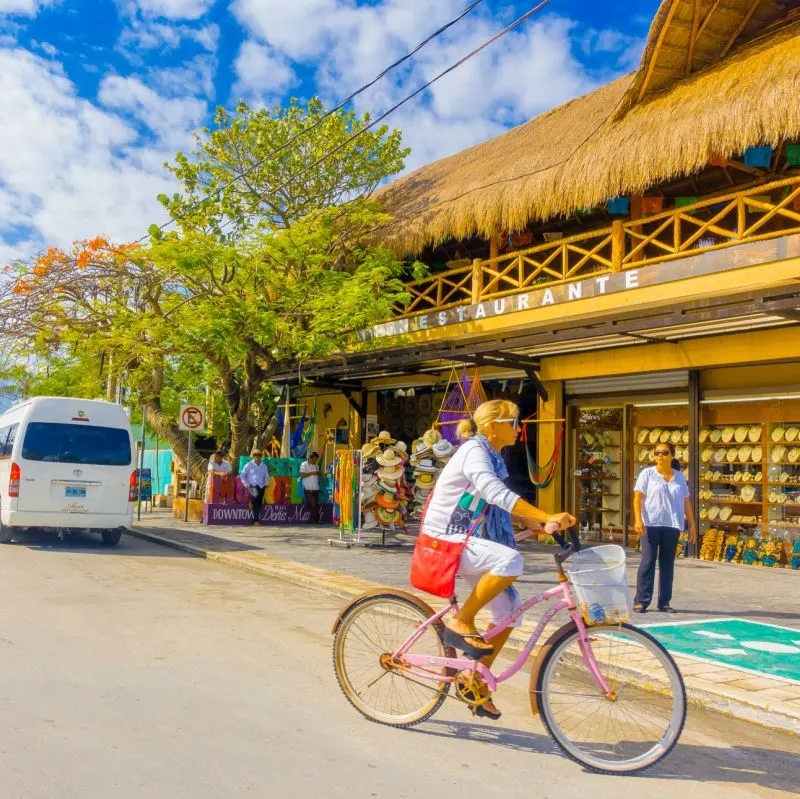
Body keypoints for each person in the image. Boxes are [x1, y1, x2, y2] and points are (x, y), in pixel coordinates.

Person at [419, 399, 575, 719]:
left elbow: (493, 505)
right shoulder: (475, 451)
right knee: (510, 561)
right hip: (447, 537)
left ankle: (472, 678)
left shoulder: (492, 456)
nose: (519, 430)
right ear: (493, 427)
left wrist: (530, 521)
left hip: (468, 535)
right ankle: (461, 620)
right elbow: (493, 493)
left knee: (509, 614)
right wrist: (545, 514)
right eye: (514, 423)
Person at [633, 441, 697, 614]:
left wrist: (692, 523)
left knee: (667, 564)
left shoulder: (679, 476)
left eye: (664, 452)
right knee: (648, 561)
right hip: (650, 524)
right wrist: (638, 520)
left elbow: (686, 501)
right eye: (657, 452)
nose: (660, 455)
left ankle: (664, 602)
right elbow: (637, 498)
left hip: (672, 525)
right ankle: (641, 601)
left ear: (672, 455)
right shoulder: (647, 474)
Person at [240, 450, 271, 526]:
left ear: (261, 456)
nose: (257, 456)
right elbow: (242, 475)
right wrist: (246, 484)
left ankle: (256, 520)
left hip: (262, 486)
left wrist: (266, 484)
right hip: (252, 485)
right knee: (255, 499)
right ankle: (251, 502)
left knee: (258, 504)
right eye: (255, 455)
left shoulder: (264, 465)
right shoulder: (249, 465)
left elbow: (266, 475)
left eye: (259, 455)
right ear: (253, 456)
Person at [300, 452, 321, 523]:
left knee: (314, 505)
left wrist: (319, 473)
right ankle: (317, 520)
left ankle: (312, 520)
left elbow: (318, 475)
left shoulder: (317, 465)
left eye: (316, 460)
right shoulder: (304, 464)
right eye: (314, 459)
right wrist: (312, 473)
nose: (315, 461)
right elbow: (302, 475)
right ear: (310, 458)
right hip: (308, 488)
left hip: (315, 488)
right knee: (313, 504)